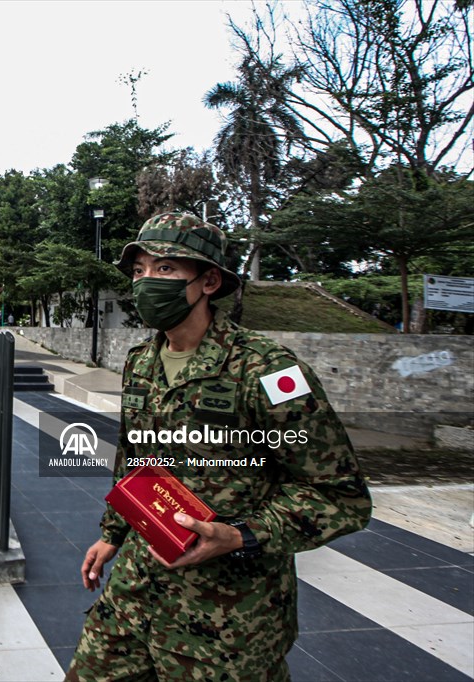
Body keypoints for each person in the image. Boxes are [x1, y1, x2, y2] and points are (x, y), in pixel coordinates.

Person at [67, 213, 371, 681]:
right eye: (139, 270)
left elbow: (340, 496)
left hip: (226, 621)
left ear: (209, 281)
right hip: (136, 591)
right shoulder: (141, 363)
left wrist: (241, 534)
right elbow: (138, 461)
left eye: (166, 269)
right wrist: (114, 533)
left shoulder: (267, 371)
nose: (148, 282)